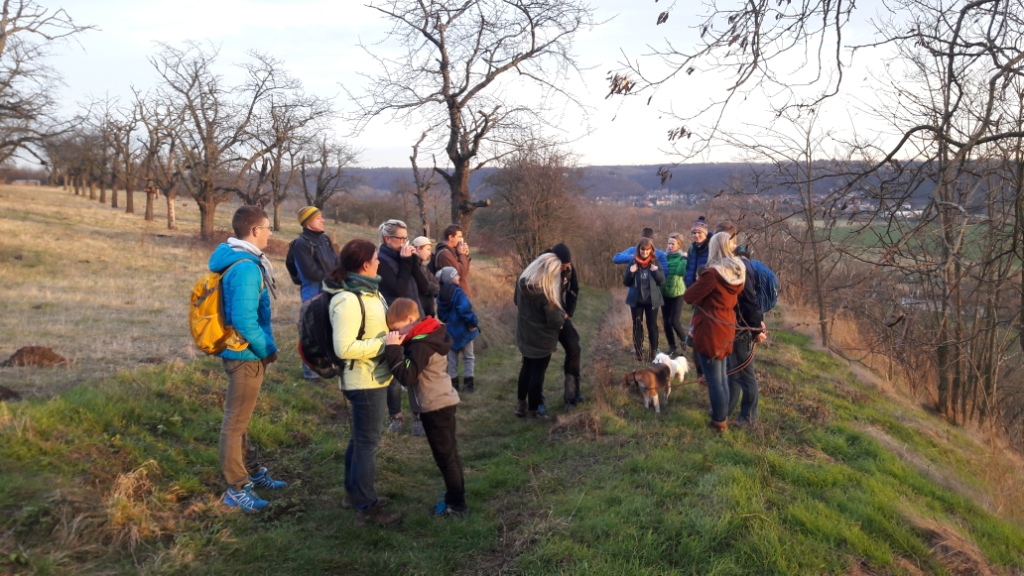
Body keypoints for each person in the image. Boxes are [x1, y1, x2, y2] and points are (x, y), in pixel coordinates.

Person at [210, 206, 285, 513]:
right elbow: (243, 319)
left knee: (242, 420)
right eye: (268, 228)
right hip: (245, 354)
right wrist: (267, 349)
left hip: (245, 352)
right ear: (255, 231)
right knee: (234, 423)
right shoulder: (246, 268)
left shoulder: (244, 262)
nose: (270, 233)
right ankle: (236, 488)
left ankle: (251, 471)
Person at [323, 238, 401, 527]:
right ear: (366, 264)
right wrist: (384, 344)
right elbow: (344, 348)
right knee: (367, 444)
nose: (380, 261)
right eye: (377, 258)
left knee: (359, 441)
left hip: (375, 376)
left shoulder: (371, 293)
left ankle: (353, 495)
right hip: (363, 381)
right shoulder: (347, 299)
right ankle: (367, 509)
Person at [383, 297, 468, 517]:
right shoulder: (430, 334)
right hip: (443, 400)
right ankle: (454, 496)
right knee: (450, 453)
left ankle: (456, 506)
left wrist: (392, 349)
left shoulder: (421, 345)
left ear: (410, 319)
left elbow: (407, 376)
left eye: (398, 329)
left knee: (445, 457)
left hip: (434, 406)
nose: (397, 334)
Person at [683, 231, 746, 432]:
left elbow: (689, 296)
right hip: (727, 324)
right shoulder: (738, 271)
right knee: (721, 377)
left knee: (715, 381)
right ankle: (723, 415)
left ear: (714, 248)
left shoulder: (713, 274)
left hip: (710, 327)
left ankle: (719, 422)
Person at [715, 223, 767, 426]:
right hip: (731, 327)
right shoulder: (728, 264)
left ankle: (749, 418)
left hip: (742, 328)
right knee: (733, 371)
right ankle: (726, 411)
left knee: (746, 374)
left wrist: (756, 329)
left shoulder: (739, 266)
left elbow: (749, 301)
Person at [376, 219, 422, 435]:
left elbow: (420, 282)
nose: (405, 241)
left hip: (413, 318)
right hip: (393, 320)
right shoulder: (381, 260)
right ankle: (396, 416)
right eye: (400, 238)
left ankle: (419, 416)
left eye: (406, 237)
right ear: (388, 239)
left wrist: (413, 260)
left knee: (415, 367)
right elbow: (400, 288)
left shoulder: (405, 256)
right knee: (394, 367)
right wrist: (406, 262)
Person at [287, 205, 339, 380]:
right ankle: (310, 371)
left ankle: (327, 365)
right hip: (312, 295)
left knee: (329, 330)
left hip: (330, 292)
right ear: (308, 222)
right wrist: (332, 276)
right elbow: (310, 273)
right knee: (311, 333)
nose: (322, 220)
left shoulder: (325, 239)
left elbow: (336, 262)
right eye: (318, 218)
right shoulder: (301, 244)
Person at [513, 253, 566, 418]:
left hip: (525, 334)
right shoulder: (547, 293)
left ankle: (521, 406)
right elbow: (555, 321)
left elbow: (516, 301)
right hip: (542, 339)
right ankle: (533, 412)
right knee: (538, 374)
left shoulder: (522, 281)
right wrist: (562, 316)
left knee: (526, 367)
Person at [543, 243, 583, 407]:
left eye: (567, 265)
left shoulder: (569, 268)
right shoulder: (542, 266)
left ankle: (572, 394)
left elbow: (574, 290)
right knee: (540, 358)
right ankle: (536, 401)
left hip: (561, 314)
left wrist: (568, 312)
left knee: (574, 349)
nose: (565, 268)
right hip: (543, 318)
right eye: (563, 265)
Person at [436, 266, 479, 393]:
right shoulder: (459, 293)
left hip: (449, 332)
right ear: (450, 278)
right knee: (468, 357)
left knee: (452, 359)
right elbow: (465, 309)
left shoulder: (441, 294)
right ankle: (468, 385)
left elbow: (441, 315)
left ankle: (453, 386)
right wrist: (473, 323)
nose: (459, 277)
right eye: (456, 275)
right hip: (464, 330)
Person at [624, 237, 666, 362]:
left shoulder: (655, 262)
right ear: (639, 250)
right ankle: (638, 350)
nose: (645, 253)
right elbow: (626, 282)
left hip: (651, 301)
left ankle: (653, 351)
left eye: (647, 251)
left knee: (652, 326)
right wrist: (631, 273)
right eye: (643, 251)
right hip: (636, 301)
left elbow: (662, 281)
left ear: (651, 251)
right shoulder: (633, 262)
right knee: (637, 326)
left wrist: (655, 272)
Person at [661, 232, 688, 356]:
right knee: (666, 321)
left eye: (673, 243)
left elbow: (680, 272)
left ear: (679, 245)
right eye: (669, 243)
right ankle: (672, 346)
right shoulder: (663, 257)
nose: (670, 246)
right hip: (665, 292)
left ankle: (685, 341)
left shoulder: (682, 257)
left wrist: (684, 260)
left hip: (677, 293)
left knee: (674, 321)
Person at [434, 224, 473, 298]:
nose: (461, 240)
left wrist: (465, 255)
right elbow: (460, 274)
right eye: (459, 237)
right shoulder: (445, 254)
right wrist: (462, 255)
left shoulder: (453, 252)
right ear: (450, 237)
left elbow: (465, 272)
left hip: (459, 296)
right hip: (453, 298)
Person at [411, 236, 440, 318]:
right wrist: (431, 286)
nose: (430, 253)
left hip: (427, 312)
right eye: (427, 249)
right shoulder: (414, 267)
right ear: (418, 248)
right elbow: (426, 287)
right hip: (420, 313)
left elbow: (437, 285)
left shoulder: (423, 267)